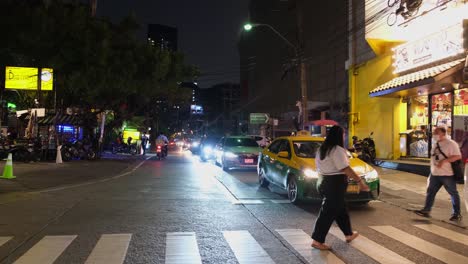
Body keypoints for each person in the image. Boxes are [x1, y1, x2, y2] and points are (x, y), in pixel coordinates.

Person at [311, 126, 370, 250]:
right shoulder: (337, 150)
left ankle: (348, 234)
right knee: (327, 212)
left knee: (340, 209)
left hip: (323, 181)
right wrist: (360, 182)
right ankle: (317, 240)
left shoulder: (322, 149)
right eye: (343, 134)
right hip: (334, 184)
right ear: (339, 136)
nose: (344, 137)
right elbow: (345, 168)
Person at [415, 126, 462, 221]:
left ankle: (456, 214)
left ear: (444, 134)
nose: (434, 135)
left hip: (447, 174)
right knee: (430, 192)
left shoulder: (451, 144)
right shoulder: (435, 144)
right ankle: (426, 210)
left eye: (437, 133)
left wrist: (444, 161)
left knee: (453, 193)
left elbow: (457, 156)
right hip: (435, 174)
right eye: (434, 133)